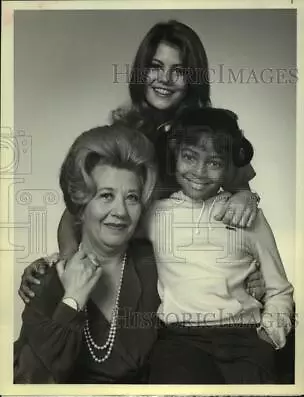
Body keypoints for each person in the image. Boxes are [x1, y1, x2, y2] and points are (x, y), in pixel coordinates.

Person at [18, 20, 264, 302]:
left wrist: (251, 253)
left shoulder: (211, 132)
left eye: (179, 71)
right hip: (131, 273)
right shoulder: (122, 136)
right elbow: (75, 213)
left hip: (193, 278)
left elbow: (243, 202)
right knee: (47, 295)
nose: (165, 79)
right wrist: (65, 265)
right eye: (155, 67)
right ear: (141, 71)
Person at [144, 108, 294, 384]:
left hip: (244, 340)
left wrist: (269, 334)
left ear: (229, 166)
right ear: (174, 155)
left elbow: (279, 289)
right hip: (180, 340)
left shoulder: (248, 215)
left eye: (214, 162)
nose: (199, 172)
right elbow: (109, 240)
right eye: (189, 158)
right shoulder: (154, 215)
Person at [14, 124, 161, 383]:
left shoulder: (159, 266)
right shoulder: (46, 282)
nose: (121, 212)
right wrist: (71, 302)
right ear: (81, 205)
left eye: (132, 198)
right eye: (106, 196)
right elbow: (29, 381)